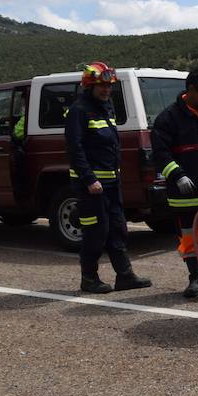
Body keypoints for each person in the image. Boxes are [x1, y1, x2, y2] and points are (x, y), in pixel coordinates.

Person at [64, 62, 151, 294]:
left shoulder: (106, 107)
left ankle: (125, 276)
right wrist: (89, 179)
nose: (106, 90)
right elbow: (75, 150)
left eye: (109, 87)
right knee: (96, 231)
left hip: (112, 183)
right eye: (101, 86)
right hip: (91, 186)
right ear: (89, 85)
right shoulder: (78, 111)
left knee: (118, 228)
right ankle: (89, 279)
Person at [151, 70, 198, 298]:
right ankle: (195, 277)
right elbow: (161, 153)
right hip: (184, 193)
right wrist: (177, 175)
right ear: (190, 89)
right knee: (189, 237)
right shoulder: (168, 118)